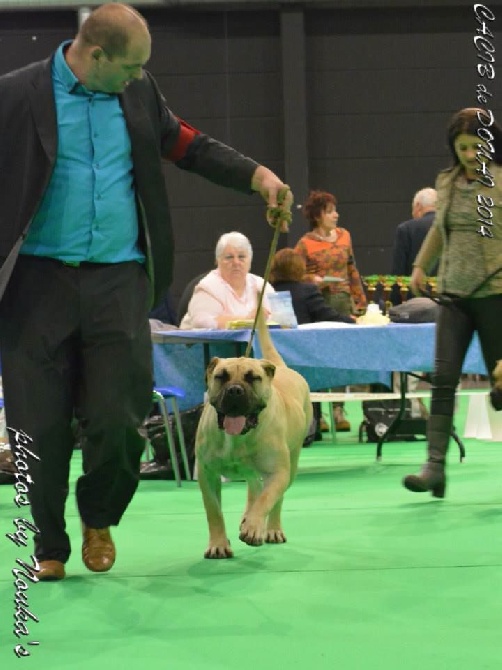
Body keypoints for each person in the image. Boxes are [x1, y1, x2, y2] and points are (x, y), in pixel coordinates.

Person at [0, 3, 293, 581]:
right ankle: (49, 545)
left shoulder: (137, 93)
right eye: (130, 66)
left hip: (118, 279)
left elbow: (189, 145)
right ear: (96, 55)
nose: (139, 77)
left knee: (119, 416)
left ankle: (99, 515)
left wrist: (257, 175)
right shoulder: (14, 95)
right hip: (35, 280)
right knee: (37, 423)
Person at [403, 107, 502, 498]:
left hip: (497, 294)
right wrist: (419, 266)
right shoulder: (445, 183)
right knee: (443, 379)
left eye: (477, 147)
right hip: (453, 297)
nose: (469, 154)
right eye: (462, 147)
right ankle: (434, 468)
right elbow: (440, 232)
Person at [294, 189, 367, 431]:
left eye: (335, 211)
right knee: (319, 359)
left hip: (343, 303)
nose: (336, 215)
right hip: (319, 305)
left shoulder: (345, 236)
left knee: (341, 358)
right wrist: (311, 279)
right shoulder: (304, 244)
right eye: (330, 211)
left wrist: (361, 302)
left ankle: (338, 410)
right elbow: (293, 274)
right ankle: (317, 415)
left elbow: (352, 269)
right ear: (317, 216)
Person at [269, 247, 355, 439]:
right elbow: (328, 315)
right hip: (304, 356)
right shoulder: (308, 291)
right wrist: (352, 320)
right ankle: (314, 423)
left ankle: (310, 425)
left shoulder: (268, 291)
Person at [179, 231, 274, 330]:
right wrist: (246, 321)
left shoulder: (262, 285)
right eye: (229, 257)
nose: (236, 262)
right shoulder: (208, 287)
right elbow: (201, 322)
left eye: (241, 257)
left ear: (250, 260)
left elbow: (283, 319)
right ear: (217, 260)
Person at [391, 188, 438, 277]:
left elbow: (398, 271)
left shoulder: (406, 229)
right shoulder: (452, 228)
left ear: (418, 205)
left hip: (415, 288)